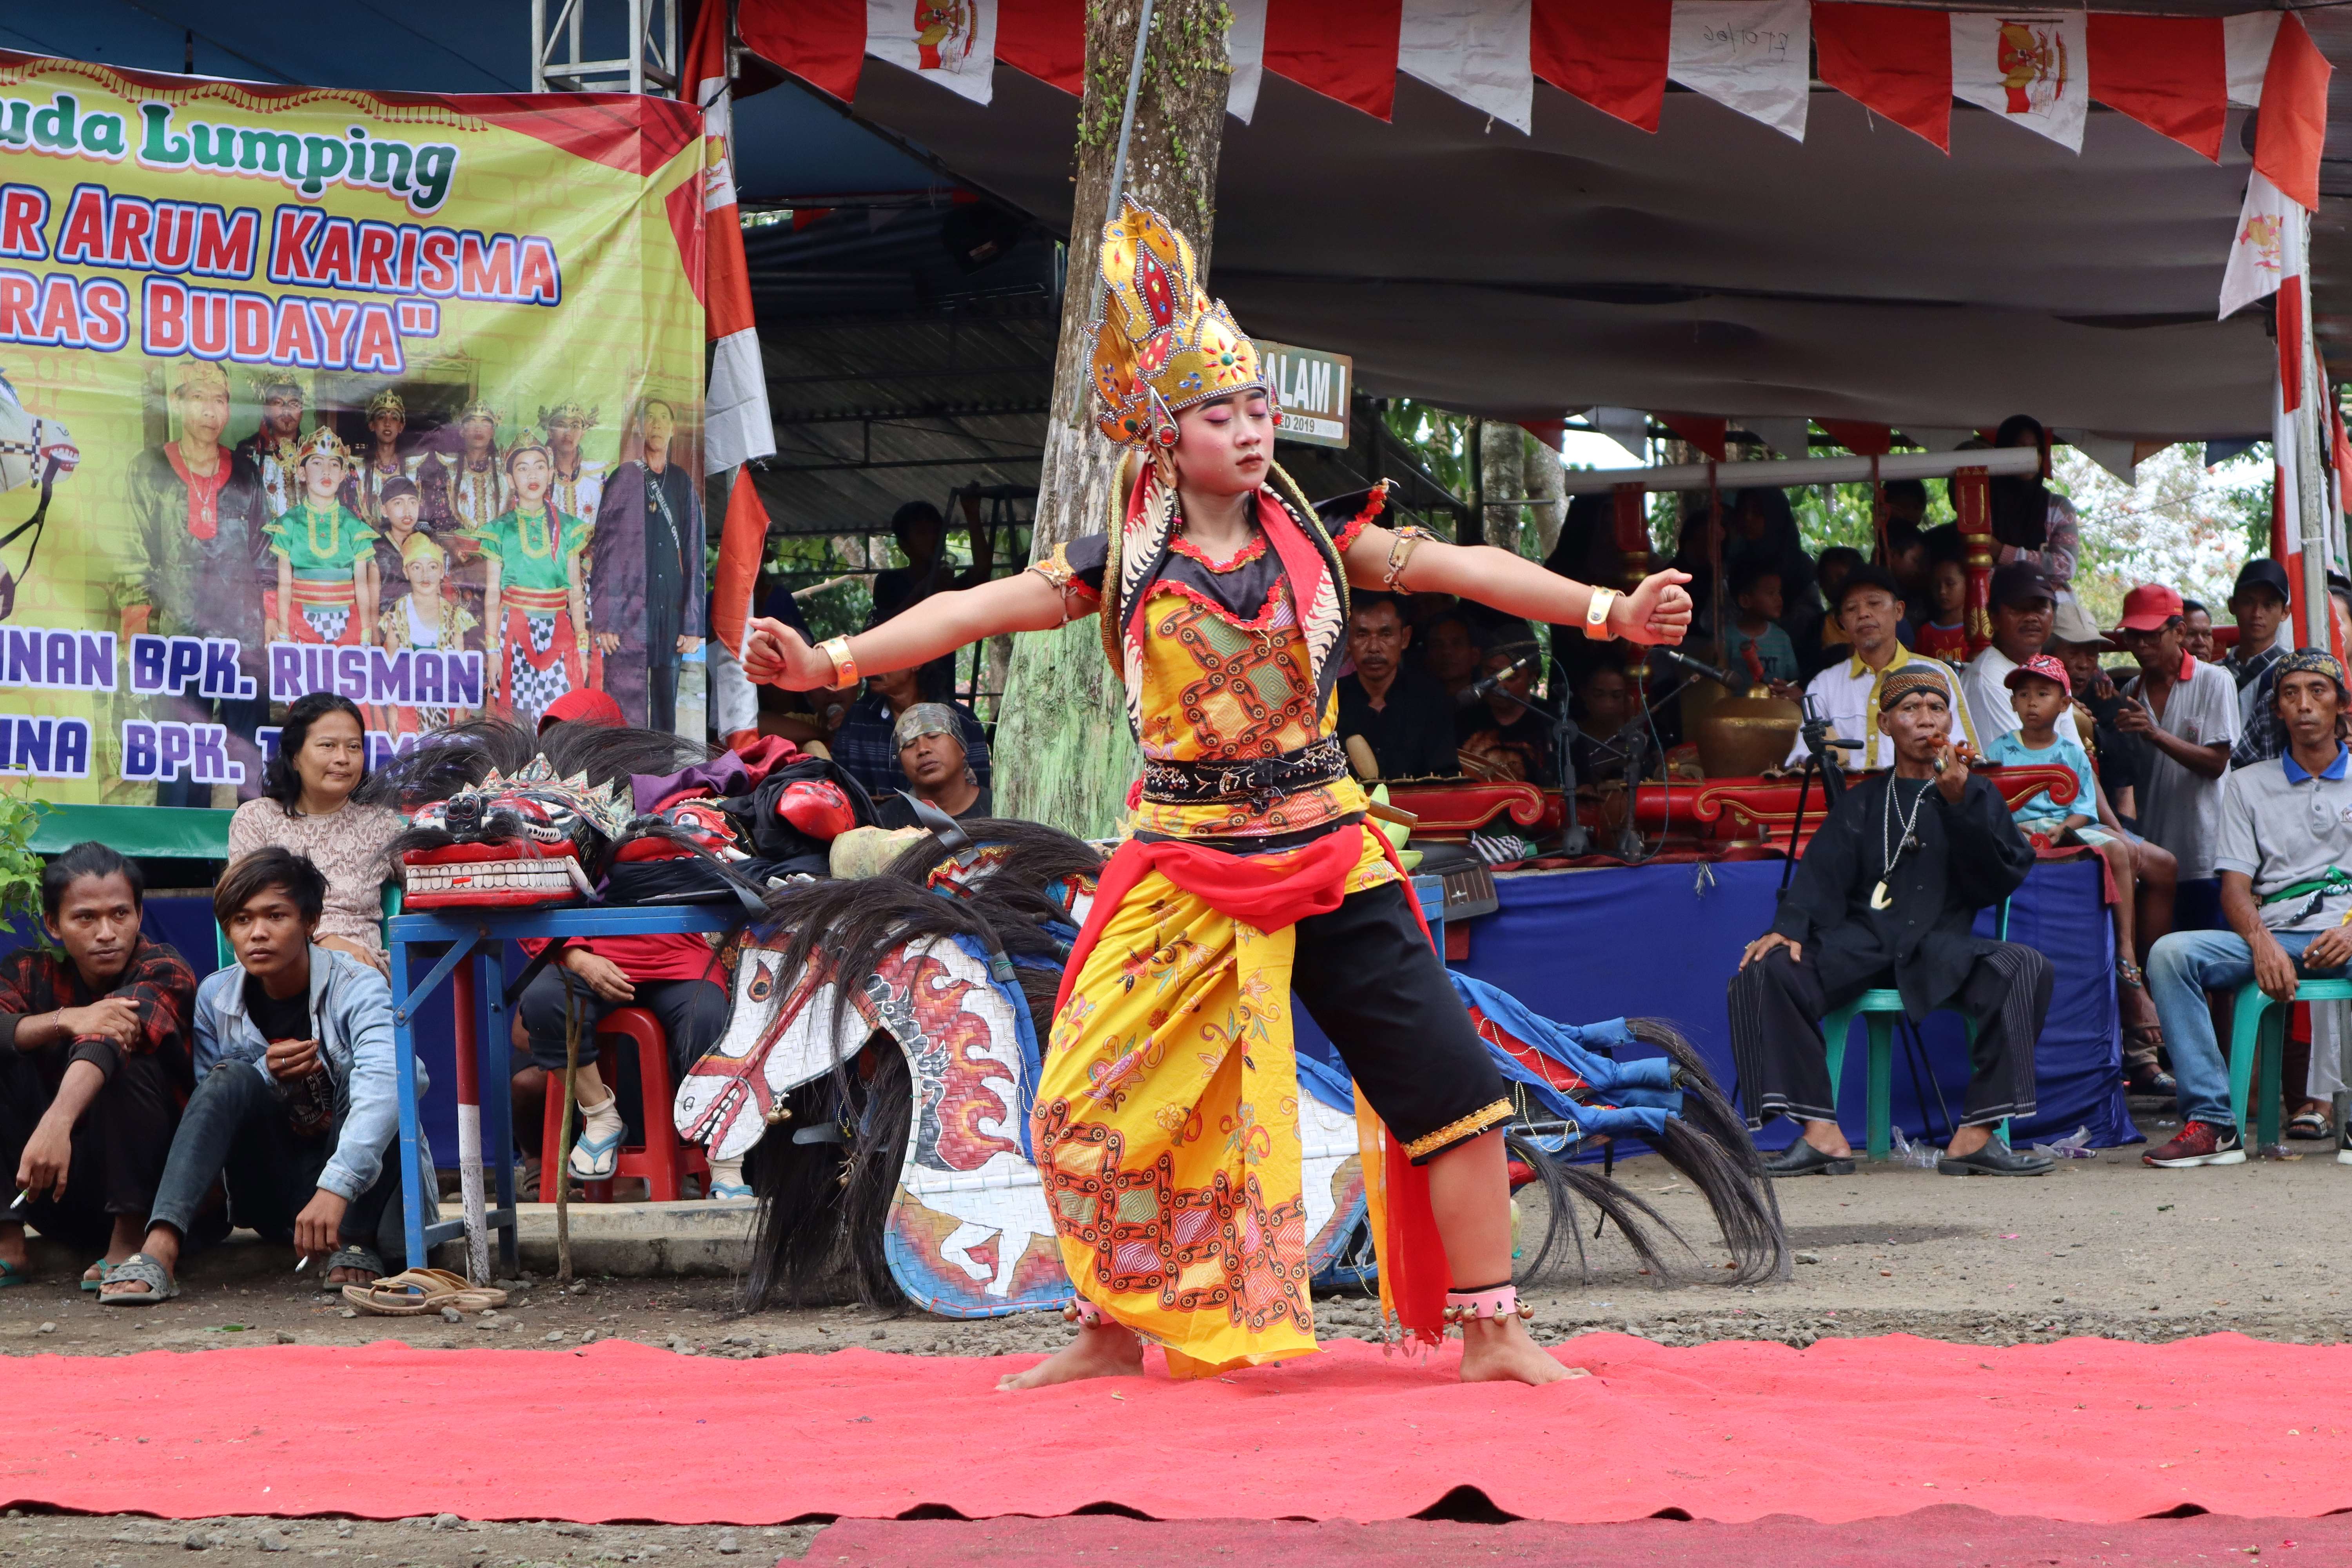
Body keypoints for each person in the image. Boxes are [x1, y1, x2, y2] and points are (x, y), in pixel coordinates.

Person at [742, 196, 1698, 1388]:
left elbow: (1471, 570)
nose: (1249, 430)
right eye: (1218, 412)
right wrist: (829, 663)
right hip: (1182, 858)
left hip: (1326, 848)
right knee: (1089, 1098)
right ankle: (1107, 1328)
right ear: (1162, 431)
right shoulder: (1120, 563)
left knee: (1447, 1085)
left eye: (1256, 407)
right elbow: (969, 609)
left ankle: (1494, 1330)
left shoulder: (1318, 531)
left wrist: (1609, 612)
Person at [1729, 671, 2053, 1177]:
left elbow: (1997, 880)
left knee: (2025, 967)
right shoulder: (1864, 801)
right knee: (1766, 967)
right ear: (1885, 723)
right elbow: (1821, 875)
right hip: (1862, 943)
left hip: (1940, 947)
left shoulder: (1978, 794)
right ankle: (1821, 1135)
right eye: (1910, 709)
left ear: (1950, 721)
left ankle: (1975, 1137)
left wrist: (1958, 804)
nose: (1925, 719)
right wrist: (1788, 926)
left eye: (1936, 708)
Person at [101, 849, 416, 1300]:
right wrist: (264, 1075)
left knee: (367, 1076)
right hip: (274, 1189)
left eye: (276, 916)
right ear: (228, 930)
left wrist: (336, 1186)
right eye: (242, 920)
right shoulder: (216, 994)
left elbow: (392, 1080)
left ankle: (355, 1241)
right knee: (230, 1077)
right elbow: (214, 1103)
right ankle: (161, 1245)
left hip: (355, 1194)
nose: (258, 933)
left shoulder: (357, 984)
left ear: (311, 922)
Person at [2140, 652, 2352, 1168]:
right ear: (2277, 709)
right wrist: (2262, 944)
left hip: (2346, 931)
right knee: (2171, 955)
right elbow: (2234, 889)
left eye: (2318, 692)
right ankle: (2212, 1121)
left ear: (2342, 705)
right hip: (2278, 934)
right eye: (2290, 694)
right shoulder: (2247, 783)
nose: (2304, 705)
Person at [0, 844, 196, 1288]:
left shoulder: (165, 967)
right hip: (47, 1186)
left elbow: (109, 1033)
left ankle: (128, 1240)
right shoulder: (29, 971)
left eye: (120, 914)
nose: (106, 932)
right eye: (85, 917)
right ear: (53, 924)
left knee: (131, 1061)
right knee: (8, 1053)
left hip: (157, 1199)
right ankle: (7, 1239)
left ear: (139, 915)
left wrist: (57, 1121)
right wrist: (64, 1019)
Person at [122, 358, 270, 807]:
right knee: (183, 755)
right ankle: (182, 863)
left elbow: (263, 553)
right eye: (200, 398)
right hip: (178, 636)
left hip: (244, 637)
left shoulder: (246, 472)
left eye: (221, 400)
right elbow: (134, 556)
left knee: (251, 756)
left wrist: (271, 625)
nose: (212, 411)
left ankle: (253, 861)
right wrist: (136, 631)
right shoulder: (148, 468)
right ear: (177, 402)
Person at [1987, 654, 2141, 1001]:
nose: (2032, 702)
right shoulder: (2000, 749)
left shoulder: (2072, 753)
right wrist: (2012, 827)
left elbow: (2085, 809)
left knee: (2118, 848)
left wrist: (2062, 829)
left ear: (2065, 704)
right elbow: (1991, 804)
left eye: (2043, 694)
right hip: (2018, 830)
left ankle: (2126, 945)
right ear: (2013, 703)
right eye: (2024, 695)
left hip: (2064, 827)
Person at [229, 693, 401, 975]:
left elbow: (426, 889)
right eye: (328, 746)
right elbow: (249, 910)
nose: (343, 758)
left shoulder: (381, 824)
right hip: (278, 968)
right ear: (295, 756)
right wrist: (321, 942)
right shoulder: (256, 819)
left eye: (354, 747)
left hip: (359, 976)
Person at [2112, 585, 2241, 920]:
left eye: (2152, 636)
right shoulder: (2131, 692)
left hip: (2208, 855)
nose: (2141, 645)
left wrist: (2155, 734)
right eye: (2133, 636)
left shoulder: (2215, 681)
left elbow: (2216, 763)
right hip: (2155, 858)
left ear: (2179, 632)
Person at [1788, 564, 1978, 770]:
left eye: (1874, 603)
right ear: (1843, 623)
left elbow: (1963, 756)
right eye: (1852, 608)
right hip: (1848, 801)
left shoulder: (1938, 675)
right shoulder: (1824, 684)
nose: (1863, 614)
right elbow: (1805, 762)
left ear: (1899, 611)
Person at [593, 399, 704, 732]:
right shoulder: (624, 478)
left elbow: (696, 554)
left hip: (669, 608)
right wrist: (605, 619)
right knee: (625, 703)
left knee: (666, 705)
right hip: (628, 610)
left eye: (663, 419)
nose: (656, 425)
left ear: (673, 429)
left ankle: (667, 778)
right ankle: (626, 774)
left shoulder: (683, 483)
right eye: (650, 419)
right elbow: (604, 553)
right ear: (641, 428)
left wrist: (693, 624)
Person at [475, 437, 594, 729]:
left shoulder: (569, 528)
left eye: (540, 467)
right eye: (523, 469)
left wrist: (582, 648)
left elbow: (575, 593)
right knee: (516, 718)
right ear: (510, 479)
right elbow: (492, 595)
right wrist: (492, 653)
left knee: (557, 716)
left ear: (551, 473)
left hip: (558, 631)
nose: (533, 476)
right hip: (513, 632)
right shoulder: (499, 531)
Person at [265, 428, 379, 647]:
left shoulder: (355, 527)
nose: (326, 471)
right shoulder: (289, 524)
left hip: (348, 623)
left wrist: (365, 631)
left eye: (334, 464)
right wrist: (284, 631)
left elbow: (362, 587)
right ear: (302, 473)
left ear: (343, 475)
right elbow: (285, 585)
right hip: (301, 622)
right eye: (317, 463)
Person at [829, 663, 992, 803]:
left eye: (934, 736)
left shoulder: (963, 721)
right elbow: (838, 788)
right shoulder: (857, 719)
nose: (872, 668)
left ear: (916, 662)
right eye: (909, 745)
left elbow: (978, 795)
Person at [1337, 593, 1457, 780]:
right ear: (1347, 640)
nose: (1374, 648)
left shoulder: (1431, 700)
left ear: (1405, 638)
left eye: (1386, 634)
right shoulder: (1332, 702)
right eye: (1362, 635)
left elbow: (1447, 779)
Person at [1961, 564, 2079, 746]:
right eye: (2019, 609)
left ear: (2053, 616)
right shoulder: (1988, 677)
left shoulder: (2052, 670)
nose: (2031, 617)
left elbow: (2076, 753)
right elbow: (2023, 763)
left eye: (2040, 609)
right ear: (1994, 618)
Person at [376, 534, 480, 735]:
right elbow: (391, 665)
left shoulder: (455, 616)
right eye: (417, 567)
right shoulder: (396, 614)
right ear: (406, 571)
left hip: (445, 704)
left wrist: (458, 712)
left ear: (442, 571)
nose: (426, 575)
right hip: (409, 705)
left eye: (432, 567)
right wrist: (392, 710)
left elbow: (458, 669)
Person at [1988, 416, 2082, 598]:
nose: (2030, 456)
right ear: (2003, 452)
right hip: (1997, 606)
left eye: (2036, 449)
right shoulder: (1984, 506)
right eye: (2020, 448)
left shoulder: (2058, 507)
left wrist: (2003, 552)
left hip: (2050, 607)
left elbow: (2065, 567)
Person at [875, 702, 993, 826]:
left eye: (934, 736)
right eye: (909, 745)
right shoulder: (884, 823)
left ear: (961, 746)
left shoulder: (1001, 807)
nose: (922, 749)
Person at [1455, 642, 1555, 786]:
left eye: (1511, 677)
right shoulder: (1463, 718)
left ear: (1533, 676)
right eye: (1492, 674)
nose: (1499, 685)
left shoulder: (1554, 723)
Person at [2227, 558, 2295, 769]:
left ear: (2285, 612)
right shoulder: (2211, 672)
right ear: (2232, 606)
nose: (2257, 613)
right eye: (2248, 601)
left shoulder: (2294, 671)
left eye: (2269, 605)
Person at [233, 373, 305, 522]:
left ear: (302, 411)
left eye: (294, 404)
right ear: (266, 409)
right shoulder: (248, 451)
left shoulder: (312, 452)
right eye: (278, 403)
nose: (286, 411)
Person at [1722, 561, 1799, 687]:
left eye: (1779, 592)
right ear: (1745, 601)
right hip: (1736, 706)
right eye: (1771, 593)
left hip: (1774, 705)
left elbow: (1793, 680)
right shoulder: (1726, 638)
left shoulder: (1782, 638)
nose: (1779, 599)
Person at [346, 389, 415, 526]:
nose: (388, 423)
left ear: (401, 427)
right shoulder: (357, 468)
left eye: (394, 418)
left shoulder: (413, 469)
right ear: (372, 425)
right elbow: (350, 517)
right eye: (381, 417)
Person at [1569, 659, 1643, 783]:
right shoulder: (1572, 736)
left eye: (1616, 696)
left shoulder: (1637, 739)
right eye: (1598, 695)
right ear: (1584, 694)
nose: (1608, 703)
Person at [540, 401, 606, 530]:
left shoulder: (597, 474)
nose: (568, 433)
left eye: (575, 426)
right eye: (561, 426)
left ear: (584, 432)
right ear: (550, 432)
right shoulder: (540, 475)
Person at [1913, 550, 1971, 666]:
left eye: (1950, 584)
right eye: (1936, 586)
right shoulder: (1926, 633)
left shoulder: (1979, 629)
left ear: (1968, 584)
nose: (1942, 591)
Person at [1419, 608, 1483, 702]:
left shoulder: (1491, 705)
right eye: (1437, 645)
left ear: (1475, 655)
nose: (1446, 651)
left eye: (1457, 644)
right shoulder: (1412, 705)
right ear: (1427, 656)